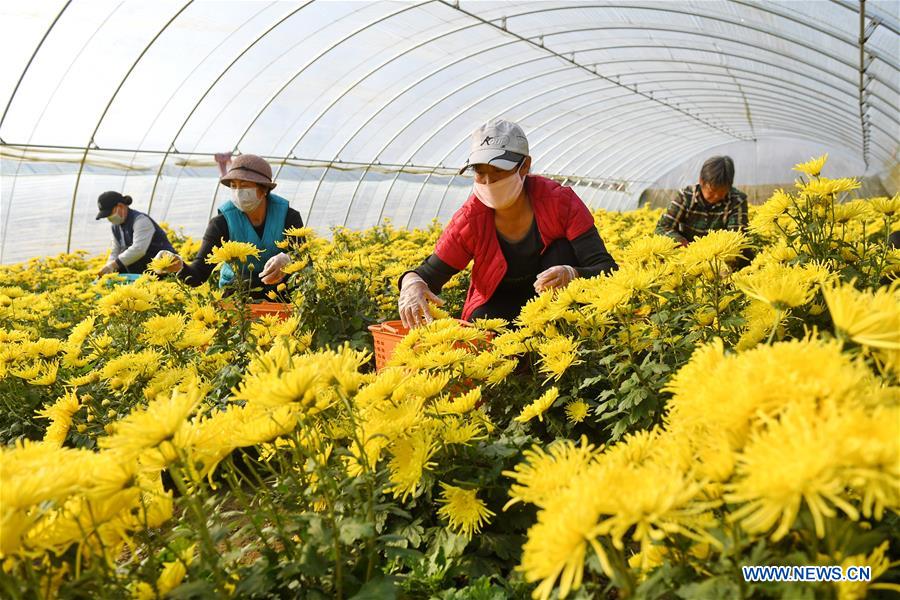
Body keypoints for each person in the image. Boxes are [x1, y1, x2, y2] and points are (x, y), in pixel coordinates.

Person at [398, 119, 618, 328]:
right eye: (480, 173)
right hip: (497, 311)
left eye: (498, 171)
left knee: (561, 248)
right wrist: (412, 285)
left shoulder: (560, 202)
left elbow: (607, 269)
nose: (488, 182)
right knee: (481, 326)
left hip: (557, 305)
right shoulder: (470, 219)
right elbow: (428, 275)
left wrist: (573, 274)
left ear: (525, 166)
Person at [152, 154, 303, 296]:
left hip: (282, 296)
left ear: (264, 189)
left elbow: (305, 261)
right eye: (233, 186)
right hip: (237, 298)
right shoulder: (221, 222)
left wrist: (288, 259)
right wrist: (179, 265)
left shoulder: (289, 217)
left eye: (244, 186)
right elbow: (199, 274)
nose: (238, 192)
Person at [654, 155, 748, 246]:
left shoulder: (737, 200)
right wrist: (681, 243)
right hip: (685, 253)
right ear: (701, 181)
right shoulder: (686, 196)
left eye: (722, 192)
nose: (717, 196)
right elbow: (663, 227)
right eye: (713, 191)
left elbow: (738, 236)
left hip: (720, 255)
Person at [95, 191, 176, 276]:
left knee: (123, 262)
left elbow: (138, 249)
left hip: (166, 268)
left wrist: (113, 265)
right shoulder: (115, 226)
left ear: (120, 206)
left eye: (109, 213)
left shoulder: (141, 221)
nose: (109, 218)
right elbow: (116, 250)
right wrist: (108, 266)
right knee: (120, 267)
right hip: (144, 271)